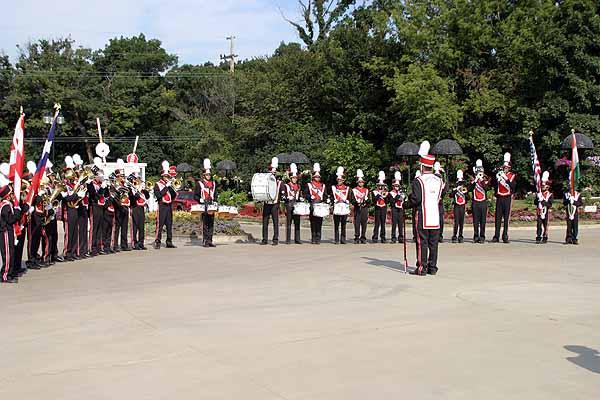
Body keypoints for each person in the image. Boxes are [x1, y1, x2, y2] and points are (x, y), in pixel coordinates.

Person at [409, 141, 445, 276]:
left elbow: (415, 199)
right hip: (435, 216)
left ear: (422, 166)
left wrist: (406, 203)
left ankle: (422, 268)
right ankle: (432, 267)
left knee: (421, 242)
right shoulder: (439, 180)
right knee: (433, 243)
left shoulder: (418, 180)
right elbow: (442, 193)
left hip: (422, 214)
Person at [492, 152, 517, 243]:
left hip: (507, 198)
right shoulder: (499, 174)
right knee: (497, 218)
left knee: (506, 218)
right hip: (499, 198)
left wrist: (505, 178)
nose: (505, 169)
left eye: (506, 167)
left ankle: (505, 235)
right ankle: (496, 236)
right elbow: (495, 184)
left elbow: (513, 186)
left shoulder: (512, 176)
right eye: (504, 167)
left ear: (509, 168)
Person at [154, 161, 177, 249]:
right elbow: (159, 196)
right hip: (162, 206)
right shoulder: (157, 184)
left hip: (169, 206)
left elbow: (173, 196)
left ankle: (169, 241)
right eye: (166, 176)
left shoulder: (169, 185)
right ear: (162, 176)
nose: (167, 178)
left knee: (169, 224)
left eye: (168, 176)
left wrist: (173, 188)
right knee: (159, 225)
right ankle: (157, 242)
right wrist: (166, 186)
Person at [194, 159, 217, 248]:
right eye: (207, 174)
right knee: (205, 223)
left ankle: (210, 240)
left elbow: (215, 194)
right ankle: (205, 241)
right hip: (204, 204)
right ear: (203, 175)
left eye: (209, 174)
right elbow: (195, 196)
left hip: (211, 204)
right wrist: (200, 200)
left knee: (211, 223)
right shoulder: (199, 184)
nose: (208, 176)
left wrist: (215, 201)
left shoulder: (213, 183)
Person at [87, 158, 108, 256]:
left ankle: (99, 247)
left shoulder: (101, 184)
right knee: (94, 228)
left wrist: (105, 187)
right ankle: (92, 247)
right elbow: (94, 196)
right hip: (94, 206)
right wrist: (101, 189)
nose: (102, 177)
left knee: (100, 227)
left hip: (101, 207)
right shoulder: (91, 184)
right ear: (96, 176)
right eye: (100, 175)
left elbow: (106, 195)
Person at [261, 157, 281, 245]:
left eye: (274, 172)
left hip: (275, 203)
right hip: (267, 203)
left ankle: (275, 239)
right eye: (271, 172)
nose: (273, 174)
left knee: (275, 222)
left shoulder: (279, 182)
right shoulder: (266, 181)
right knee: (265, 222)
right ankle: (264, 239)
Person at [305, 163, 327, 244]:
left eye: (318, 177)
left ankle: (318, 237)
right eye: (316, 177)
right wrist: (310, 197)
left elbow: (325, 195)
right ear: (314, 177)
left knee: (319, 222)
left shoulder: (323, 186)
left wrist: (326, 200)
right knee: (313, 222)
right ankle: (313, 237)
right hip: (312, 204)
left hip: (320, 205)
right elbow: (305, 194)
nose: (317, 178)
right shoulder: (309, 185)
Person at [113, 159, 131, 252]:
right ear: (117, 176)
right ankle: (115, 245)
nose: (123, 177)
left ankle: (124, 244)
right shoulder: (115, 184)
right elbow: (115, 197)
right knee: (117, 227)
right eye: (121, 176)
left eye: (123, 176)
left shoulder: (125, 184)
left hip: (126, 206)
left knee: (125, 227)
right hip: (118, 207)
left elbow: (128, 195)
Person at [470, 159, 490, 244]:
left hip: (483, 202)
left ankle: (482, 236)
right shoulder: (473, 180)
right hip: (475, 202)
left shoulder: (485, 180)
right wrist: (475, 180)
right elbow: (470, 189)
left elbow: (486, 188)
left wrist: (481, 180)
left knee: (483, 221)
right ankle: (475, 236)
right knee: (475, 221)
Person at [282, 163, 302, 244]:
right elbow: (284, 196)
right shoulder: (286, 186)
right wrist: (287, 198)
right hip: (289, 204)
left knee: (297, 222)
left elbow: (299, 195)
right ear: (290, 178)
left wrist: (300, 198)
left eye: (295, 178)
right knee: (289, 222)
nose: (295, 179)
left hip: (296, 205)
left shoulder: (298, 186)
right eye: (293, 178)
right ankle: (288, 239)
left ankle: (297, 239)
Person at [330, 167, 350, 244]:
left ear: (343, 180)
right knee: (336, 224)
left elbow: (350, 197)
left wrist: (348, 200)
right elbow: (331, 197)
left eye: (341, 180)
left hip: (344, 207)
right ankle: (336, 239)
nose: (339, 181)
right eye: (338, 180)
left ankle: (343, 239)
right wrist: (333, 200)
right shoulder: (333, 188)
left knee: (344, 224)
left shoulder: (347, 188)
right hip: (337, 207)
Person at [130, 173, 149, 250]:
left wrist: (144, 190)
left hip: (141, 209)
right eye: (137, 179)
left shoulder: (142, 189)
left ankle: (141, 243)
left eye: (139, 180)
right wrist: (137, 191)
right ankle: (135, 243)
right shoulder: (131, 189)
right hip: (135, 208)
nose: (138, 181)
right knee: (135, 227)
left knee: (141, 227)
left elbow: (147, 197)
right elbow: (132, 199)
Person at [351, 169, 369, 244]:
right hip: (357, 208)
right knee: (357, 223)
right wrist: (356, 203)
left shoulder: (366, 190)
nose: (361, 183)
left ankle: (363, 237)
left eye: (362, 182)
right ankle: (356, 237)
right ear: (358, 182)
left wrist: (367, 201)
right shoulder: (354, 190)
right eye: (359, 182)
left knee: (364, 223)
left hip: (364, 208)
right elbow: (352, 199)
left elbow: (369, 200)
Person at [534, 171, 553, 244]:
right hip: (539, 211)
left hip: (546, 212)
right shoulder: (539, 194)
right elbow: (535, 202)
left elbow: (550, 204)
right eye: (542, 186)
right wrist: (538, 199)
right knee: (539, 224)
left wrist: (543, 202)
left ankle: (545, 237)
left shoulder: (550, 194)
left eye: (544, 186)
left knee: (545, 224)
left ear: (547, 187)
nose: (542, 187)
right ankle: (538, 236)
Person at [451, 170, 468, 243]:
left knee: (461, 222)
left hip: (462, 205)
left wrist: (465, 192)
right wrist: (456, 190)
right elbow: (450, 195)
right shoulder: (455, 185)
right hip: (456, 206)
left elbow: (468, 197)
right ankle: (454, 235)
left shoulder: (465, 184)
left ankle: (460, 236)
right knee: (456, 222)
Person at [388, 171, 406, 244]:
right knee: (394, 224)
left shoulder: (401, 192)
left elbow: (404, 200)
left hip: (400, 209)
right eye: (395, 186)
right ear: (393, 186)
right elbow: (391, 202)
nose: (397, 187)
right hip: (394, 209)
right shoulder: (391, 193)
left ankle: (401, 237)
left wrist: (403, 197)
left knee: (400, 224)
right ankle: (393, 237)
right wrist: (397, 196)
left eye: (398, 186)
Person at [372, 171, 388, 243]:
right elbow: (374, 201)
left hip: (383, 208)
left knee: (383, 223)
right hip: (377, 208)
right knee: (377, 223)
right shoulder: (374, 192)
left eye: (382, 186)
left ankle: (383, 237)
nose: (381, 187)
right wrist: (378, 195)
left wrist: (384, 196)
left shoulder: (386, 192)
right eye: (379, 186)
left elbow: (387, 201)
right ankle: (375, 237)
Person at [434, 162, 447, 242]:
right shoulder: (432, 176)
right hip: (433, 201)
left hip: (440, 201)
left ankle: (440, 235)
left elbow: (445, 190)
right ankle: (435, 235)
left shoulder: (442, 177)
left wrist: (444, 175)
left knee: (440, 220)